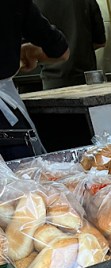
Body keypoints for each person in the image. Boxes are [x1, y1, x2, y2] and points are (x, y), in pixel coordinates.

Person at [0, 0, 69, 158]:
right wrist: (28, 52)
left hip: (7, 127)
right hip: (7, 129)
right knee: (22, 179)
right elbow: (60, 51)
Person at [36, 0, 106, 89]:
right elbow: (100, 42)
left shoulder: (32, 4)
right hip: (86, 80)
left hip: (52, 82)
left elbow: (29, 48)